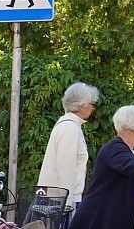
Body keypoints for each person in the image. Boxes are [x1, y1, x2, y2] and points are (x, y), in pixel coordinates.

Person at [38, 81, 100, 210]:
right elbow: (66, 167)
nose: (93, 108)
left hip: (57, 198)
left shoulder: (68, 124)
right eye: (92, 104)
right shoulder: (70, 128)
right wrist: (67, 202)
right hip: (60, 201)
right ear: (81, 105)